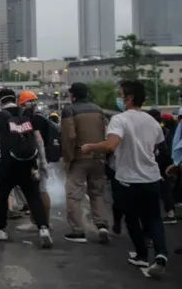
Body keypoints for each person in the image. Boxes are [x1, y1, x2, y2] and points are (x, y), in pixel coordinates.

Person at [82, 80, 168, 279]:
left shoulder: (120, 120)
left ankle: (141, 255)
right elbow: (160, 148)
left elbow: (111, 145)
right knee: (154, 218)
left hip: (129, 179)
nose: (118, 98)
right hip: (151, 178)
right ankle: (161, 255)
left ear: (129, 98)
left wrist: (90, 147)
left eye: (120, 94)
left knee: (132, 218)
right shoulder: (152, 121)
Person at [0, 89, 52, 248]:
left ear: (0, 101)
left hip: (8, 162)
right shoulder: (28, 114)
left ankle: (1, 229)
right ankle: (43, 228)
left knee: (2, 195)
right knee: (33, 196)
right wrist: (43, 163)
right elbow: (38, 140)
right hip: (29, 162)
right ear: (15, 99)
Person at [61, 82, 110, 243]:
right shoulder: (99, 110)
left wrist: (68, 159)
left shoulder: (70, 110)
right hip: (99, 157)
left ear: (73, 95)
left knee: (73, 194)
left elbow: (69, 137)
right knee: (97, 193)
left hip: (79, 157)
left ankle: (78, 231)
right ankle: (102, 225)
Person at [14, 90, 54, 232]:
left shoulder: (31, 120)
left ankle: (43, 222)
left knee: (36, 191)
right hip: (41, 159)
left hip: (33, 159)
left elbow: (39, 141)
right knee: (41, 190)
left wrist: (42, 162)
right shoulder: (43, 118)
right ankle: (44, 221)